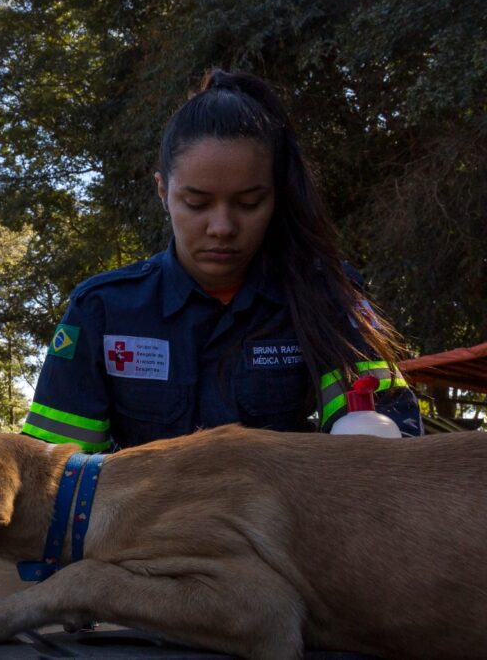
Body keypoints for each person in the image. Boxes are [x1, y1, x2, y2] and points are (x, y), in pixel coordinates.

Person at [23, 69, 422, 453]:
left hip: (282, 522)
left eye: (249, 203)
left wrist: (371, 437)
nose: (222, 227)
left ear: (276, 197)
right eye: (196, 203)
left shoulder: (325, 296)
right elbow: (53, 468)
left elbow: (380, 421)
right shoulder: (104, 310)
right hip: (147, 522)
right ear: (163, 191)